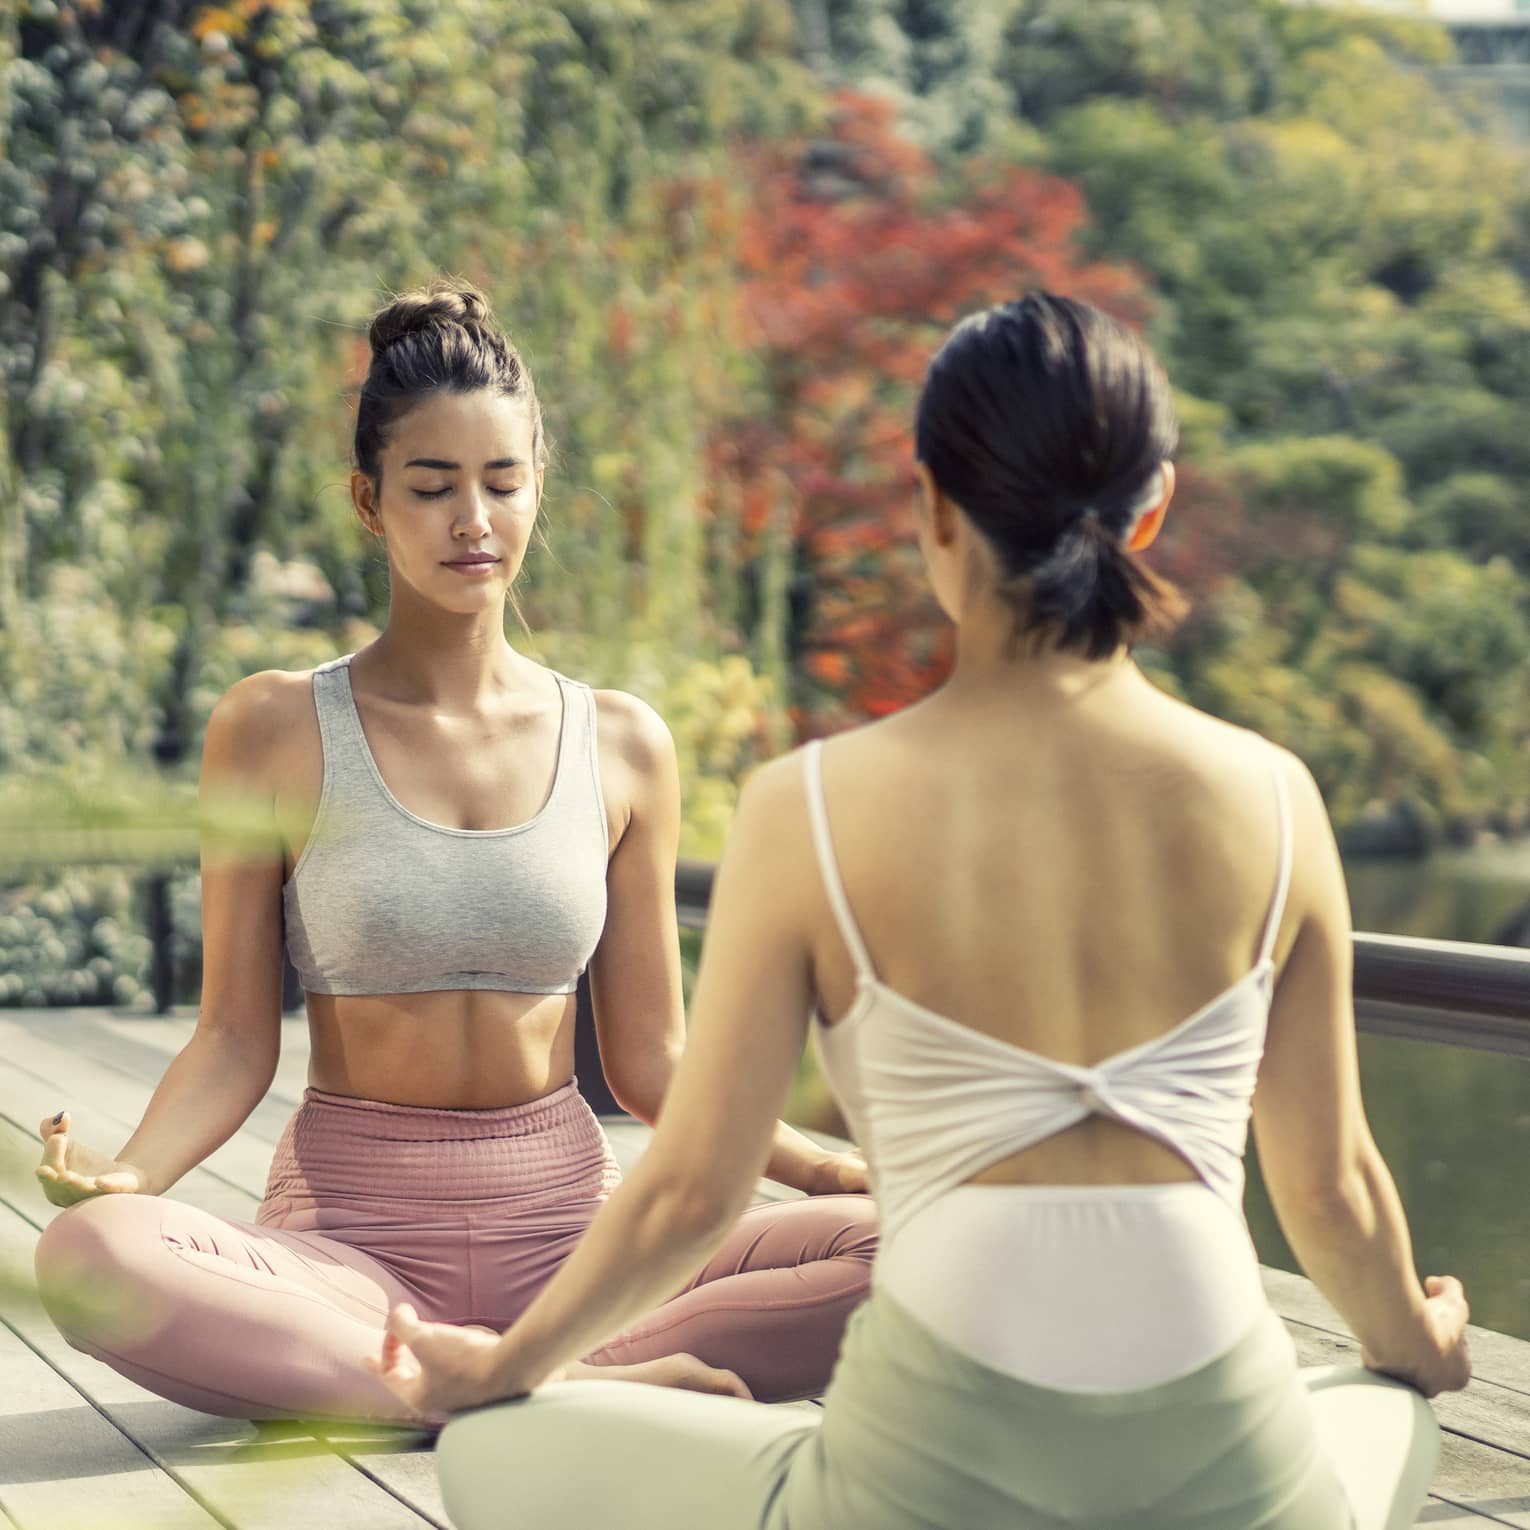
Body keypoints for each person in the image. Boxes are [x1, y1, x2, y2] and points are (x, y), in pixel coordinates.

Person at [371, 293, 1470, 1529]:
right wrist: (1418, 1347)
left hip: (918, 1482)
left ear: (934, 507)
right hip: (1228, 1471)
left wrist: (504, 1367)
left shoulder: (813, 807)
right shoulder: (1275, 798)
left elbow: (690, 1192)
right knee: (1388, 1408)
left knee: (488, 1453)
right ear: (1150, 507)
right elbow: (1331, 1189)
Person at [30, 279, 876, 1423]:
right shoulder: (273, 728)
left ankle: (518, 1372)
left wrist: (835, 1169)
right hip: (350, 1259)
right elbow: (233, 1037)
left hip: (581, 1259)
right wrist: (128, 1177)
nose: (472, 520)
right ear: (369, 503)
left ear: (537, 491)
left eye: (502, 482)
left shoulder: (622, 742)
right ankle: (567, 1395)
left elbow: (653, 1064)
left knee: (904, 1249)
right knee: (96, 1257)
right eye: (431, 488)